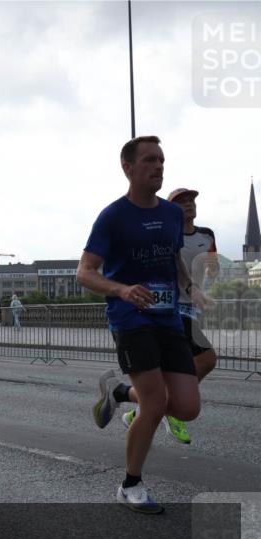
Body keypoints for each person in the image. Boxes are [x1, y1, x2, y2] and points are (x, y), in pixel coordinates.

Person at [78, 135, 207, 514]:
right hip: (130, 319)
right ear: (129, 168)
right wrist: (121, 289)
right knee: (154, 403)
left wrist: (189, 286)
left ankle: (119, 393)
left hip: (168, 317)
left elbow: (173, 259)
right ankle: (130, 484)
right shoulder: (113, 216)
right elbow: (84, 273)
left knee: (186, 407)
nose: (159, 166)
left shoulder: (170, 214)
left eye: (162, 160)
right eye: (150, 160)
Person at [114, 187, 218, 444]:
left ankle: (131, 402)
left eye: (192, 200)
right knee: (207, 358)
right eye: (181, 202)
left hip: (193, 309)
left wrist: (212, 275)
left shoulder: (207, 235)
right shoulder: (164, 232)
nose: (188, 205)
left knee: (162, 383)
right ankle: (172, 411)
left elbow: (213, 267)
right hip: (171, 310)